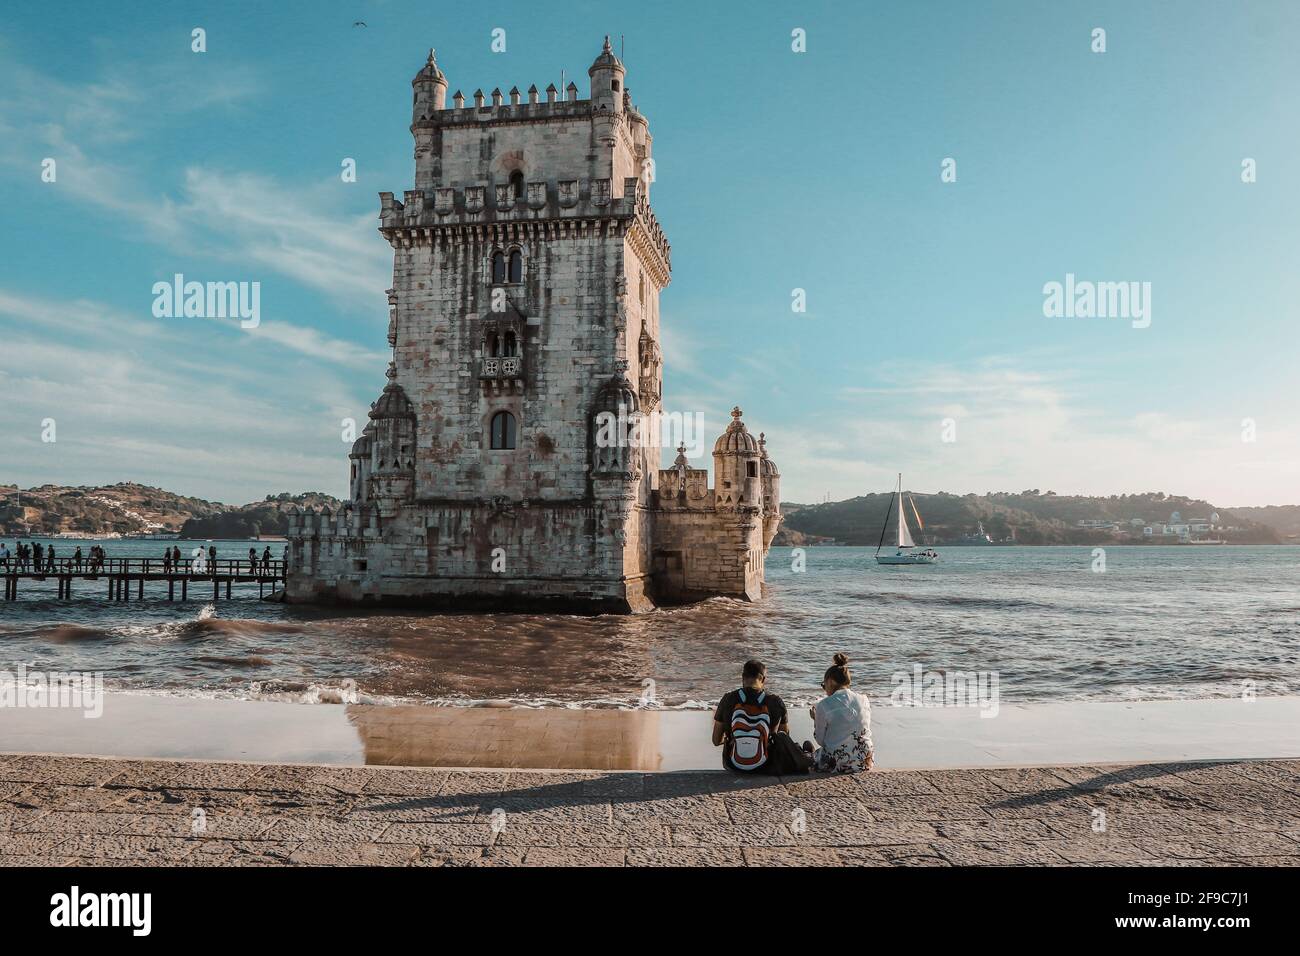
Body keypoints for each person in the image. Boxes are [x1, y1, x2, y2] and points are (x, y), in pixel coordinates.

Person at [712, 659, 811, 775]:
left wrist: (736, 739)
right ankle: (807, 755)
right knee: (802, 746)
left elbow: (715, 740)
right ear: (763, 679)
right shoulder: (775, 702)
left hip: (733, 765)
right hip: (766, 765)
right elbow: (783, 737)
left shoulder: (728, 699)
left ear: (743, 677)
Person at [804, 653, 874, 774]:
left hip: (836, 764)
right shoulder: (864, 699)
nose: (825, 690)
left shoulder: (824, 705)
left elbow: (821, 740)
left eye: (823, 685)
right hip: (864, 762)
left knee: (807, 752)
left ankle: (809, 753)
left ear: (830, 682)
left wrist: (816, 720)